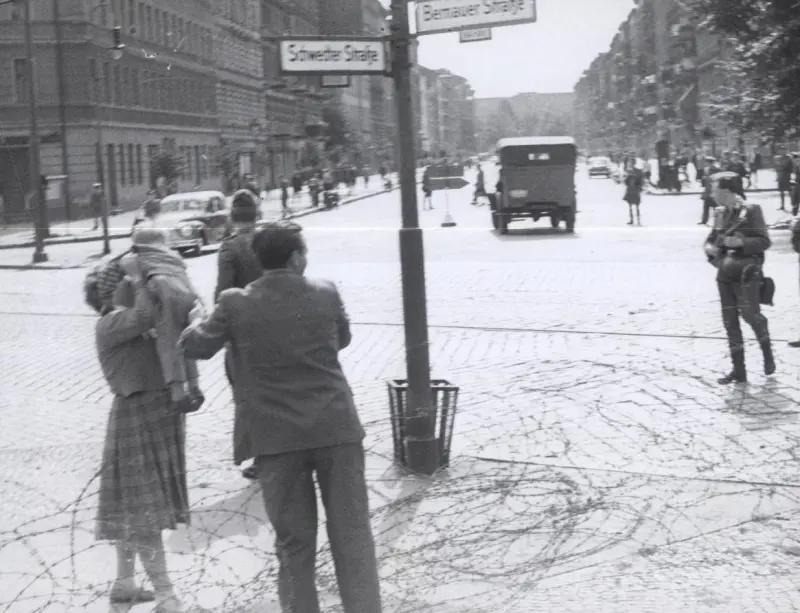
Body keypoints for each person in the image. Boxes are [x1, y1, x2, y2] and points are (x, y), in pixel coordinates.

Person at [179, 221, 383, 613]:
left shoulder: (235, 302)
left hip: (276, 439)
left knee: (293, 542)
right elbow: (342, 339)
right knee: (353, 535)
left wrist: (194, 317)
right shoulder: (325, 292)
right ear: (295, 258)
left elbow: (196, 346)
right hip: (336, 428)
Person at [86, 254, 190, 613]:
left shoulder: (127, 321)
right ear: (111, 292)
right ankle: (166, 595)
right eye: (128, 282)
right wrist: (135, 273)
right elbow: (146, 315)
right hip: (137, 417)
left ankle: (124, 583)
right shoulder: (112, 323)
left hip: (148, 417)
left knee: (133, 507)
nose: (136, 286)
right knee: (145, 511)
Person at [703, 171, 774, 384]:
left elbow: (764, 241)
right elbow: (712, 238)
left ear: (726, 191)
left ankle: (767, 353)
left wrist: (741, 243)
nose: (712, 195)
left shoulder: (750, 210)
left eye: (714, 190)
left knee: (750, 315)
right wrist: (709, 248)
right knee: (730, 321)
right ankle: (739, 371)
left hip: (746, 273)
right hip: (724, 272)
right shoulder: (719, 213)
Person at [214, 190, 264, 480]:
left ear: (233, 218)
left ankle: (261, 456)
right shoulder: (269, 240)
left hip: (243, 334)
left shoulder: (230, 248)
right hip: (274, 325)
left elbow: (223, 293)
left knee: (247, 394)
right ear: (256, 216)